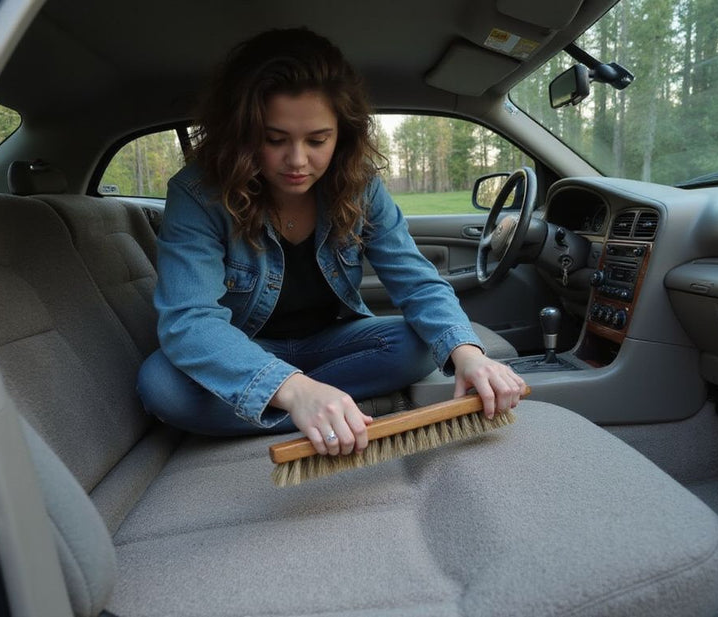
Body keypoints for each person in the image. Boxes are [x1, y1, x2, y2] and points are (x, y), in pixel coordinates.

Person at [137, 27, 527, 457]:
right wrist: (291, 387)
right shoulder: (198, 194)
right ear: (243, 134)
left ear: (342, 134)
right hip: (244, 349)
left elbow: (416, 281)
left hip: (332, 345)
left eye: (317, 140)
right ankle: (336, 409)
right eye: (275, 139)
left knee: (420, 343)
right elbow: (189, 321)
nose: (298, 160)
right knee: (162, 386)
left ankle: (315, 408)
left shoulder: (360, 185)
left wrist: (468, 353)